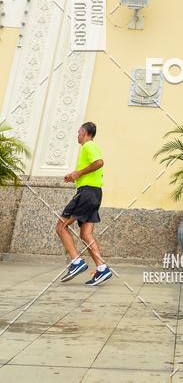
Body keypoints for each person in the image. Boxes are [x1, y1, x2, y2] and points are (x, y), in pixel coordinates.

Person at [55, 121, 112, 286]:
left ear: (86, 133)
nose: (77, 135)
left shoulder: (88, 146)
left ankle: (76, 262)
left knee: (60, 227)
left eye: (79, 132)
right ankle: (102, 269)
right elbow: (93, 167)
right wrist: (74, 176)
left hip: (87, 193)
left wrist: (77, 173)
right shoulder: (87, 148)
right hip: (94, 193)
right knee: (85, 234)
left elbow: (99, 162)